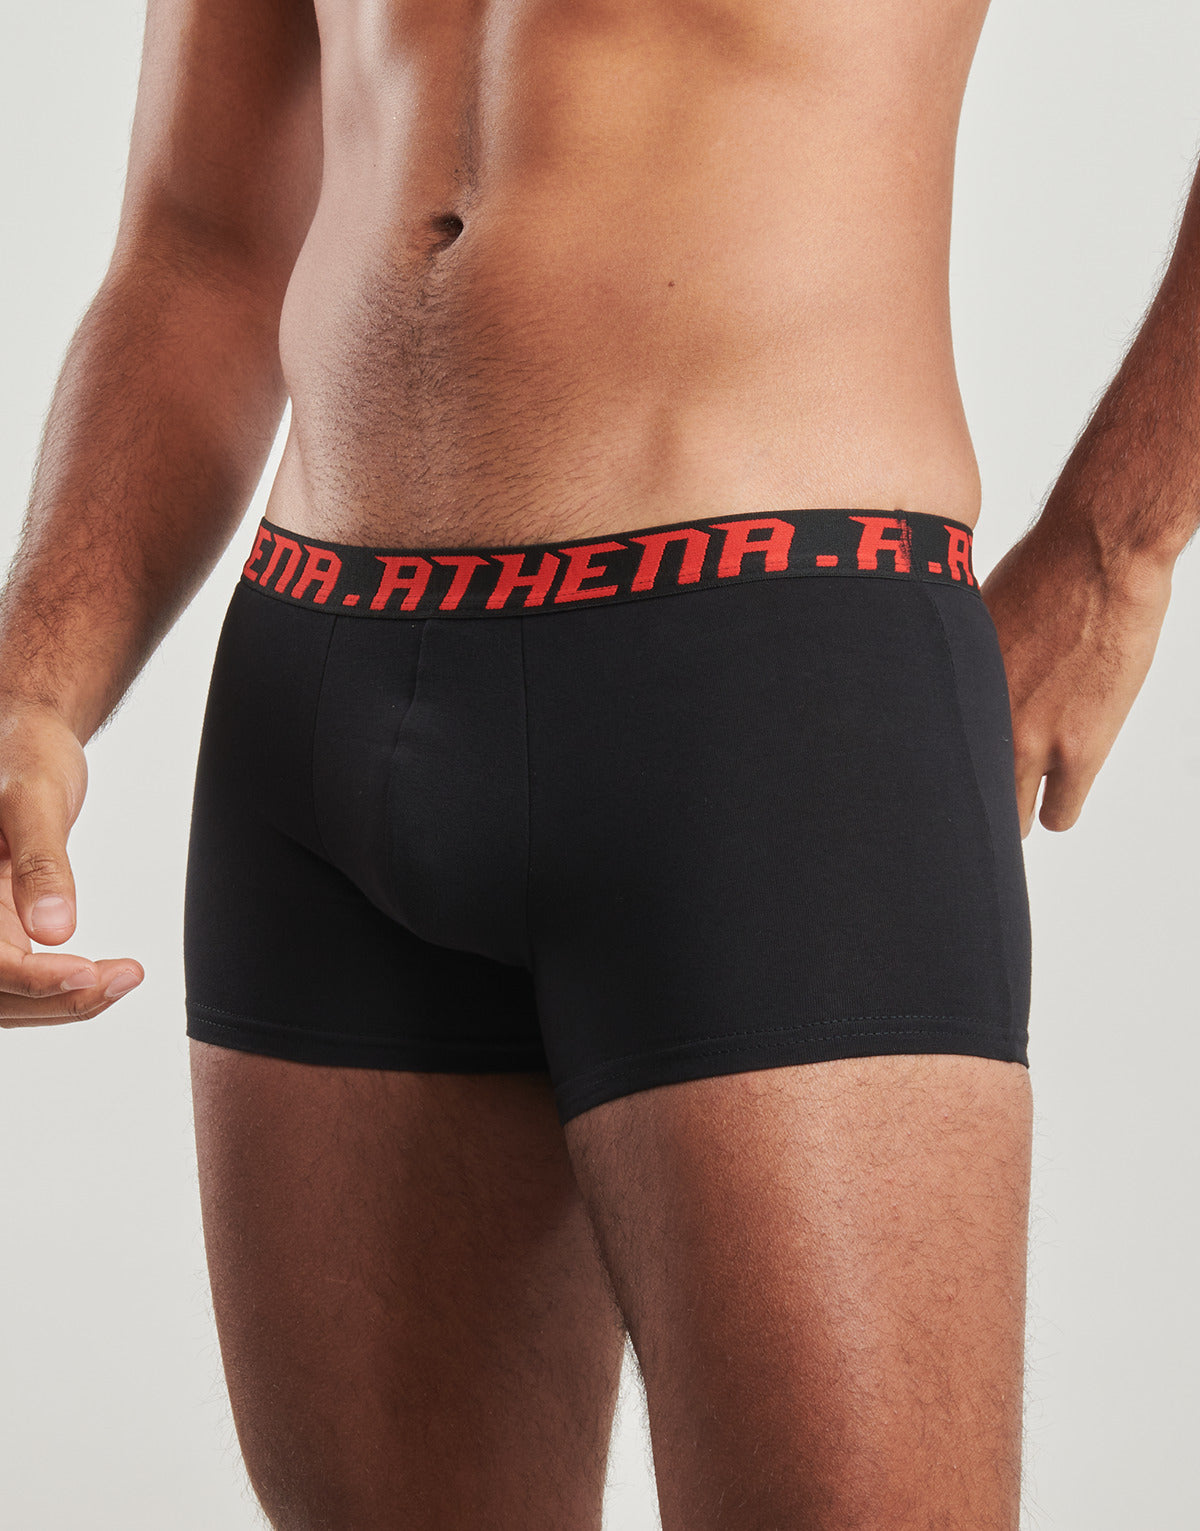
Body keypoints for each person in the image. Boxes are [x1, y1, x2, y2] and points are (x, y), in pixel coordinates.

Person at [0, 1, 1192, 1526]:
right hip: (318, 701)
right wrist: (35, 688)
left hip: (770, 687)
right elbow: (199, 248)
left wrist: (1116, 543)